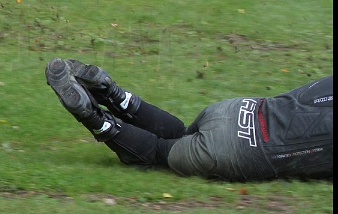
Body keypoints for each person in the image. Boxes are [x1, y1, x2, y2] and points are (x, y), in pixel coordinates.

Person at [45, 58, 333, 182]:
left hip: (237, 109)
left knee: (182, 134)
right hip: (236, 149)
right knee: (159, 154)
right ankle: (95, 118)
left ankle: (114, 93)